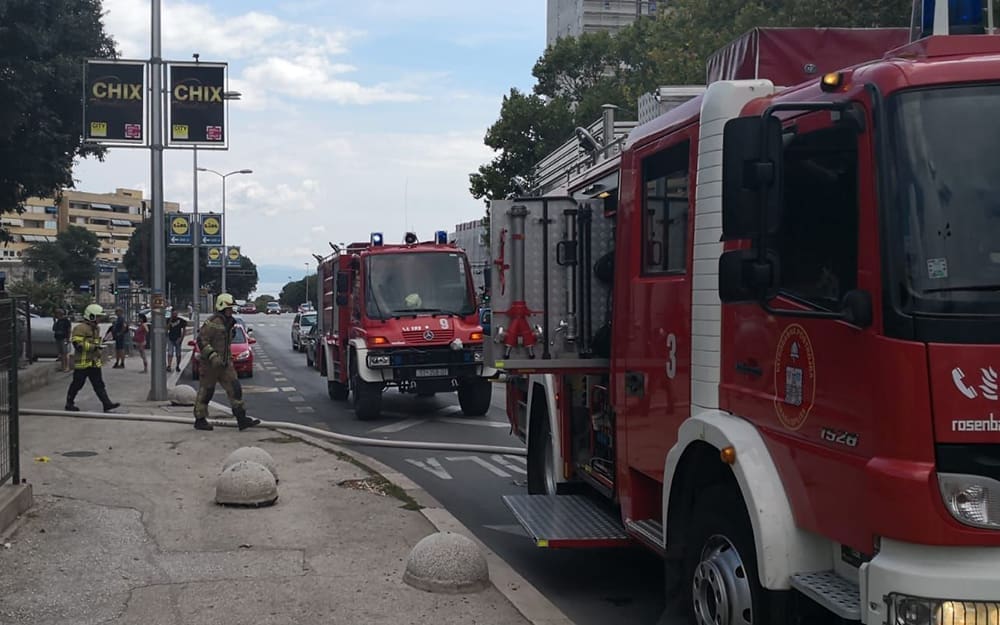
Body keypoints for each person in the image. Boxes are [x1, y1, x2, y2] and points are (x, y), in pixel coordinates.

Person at [192, 293, 260, 431]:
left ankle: (242, 419)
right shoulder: (212, 322)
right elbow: (202, 340)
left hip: (225, 364)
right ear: (222, 307)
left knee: (235, 389)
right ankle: (200, 419)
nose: (232, 310)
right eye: (229, 308)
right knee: (206, 392)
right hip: (210, 365)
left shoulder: (229, 322)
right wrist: (212, 356)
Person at [65, 303, 120, 413]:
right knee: (77, 384)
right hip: (82, 363)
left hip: (94, 362)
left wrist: (98, 348)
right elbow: (78, 345)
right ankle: (69, 403)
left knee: (99, 384)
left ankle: (107, 404)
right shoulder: (80, 328)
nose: (99, 319)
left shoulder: (96, 329)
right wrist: (94, 347)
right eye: (98, 317)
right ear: (91, 316)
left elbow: (95, 343)